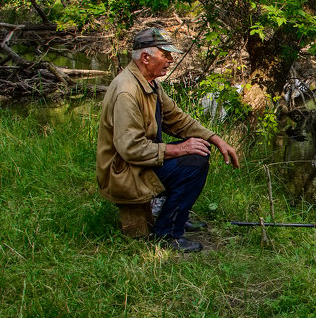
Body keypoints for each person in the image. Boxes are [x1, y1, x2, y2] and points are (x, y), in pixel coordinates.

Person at [96, 27, 240, 253]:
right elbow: (130, 148)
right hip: (124, 172)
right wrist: (180, 148)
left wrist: (215, 139)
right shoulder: (127, 90)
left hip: (137, 163)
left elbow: (177, 119)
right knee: (193, 163)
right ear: (146, 57)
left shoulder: (149, 83)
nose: (171, 60)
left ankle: (176, 218)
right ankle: (168, 233)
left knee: (197, 153)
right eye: (166, 55)